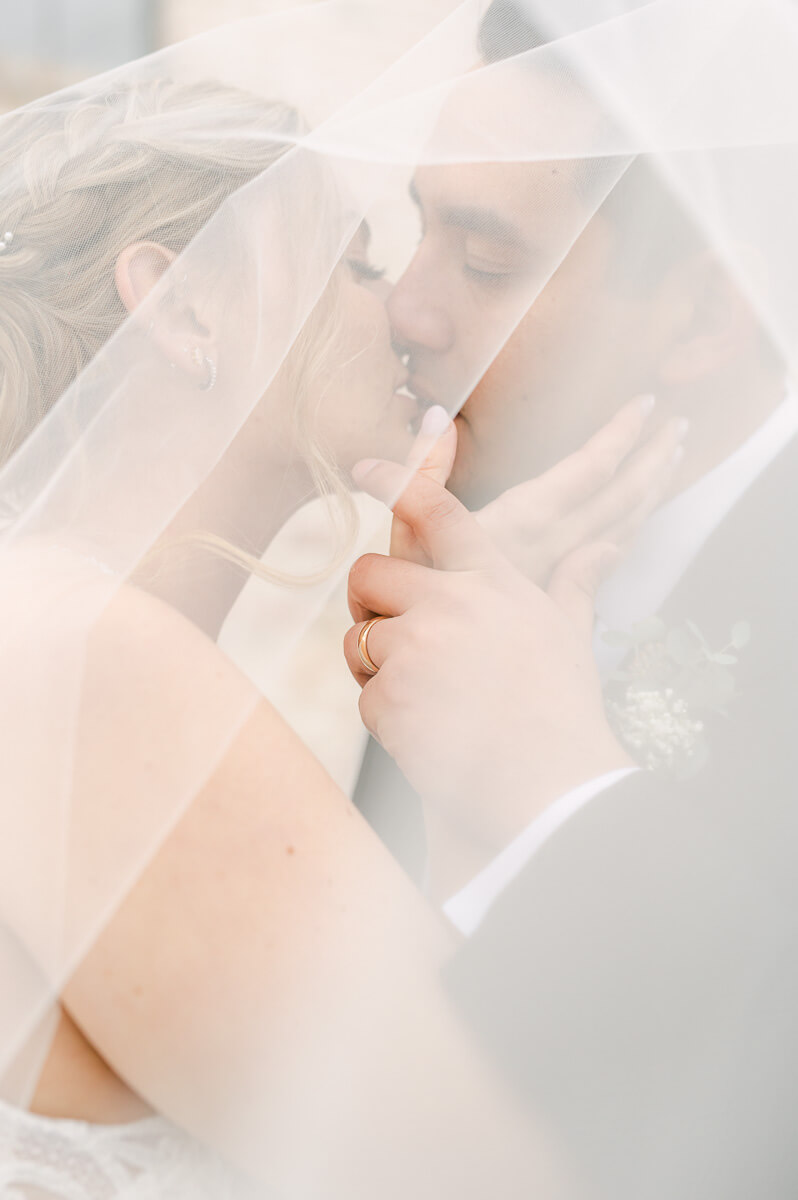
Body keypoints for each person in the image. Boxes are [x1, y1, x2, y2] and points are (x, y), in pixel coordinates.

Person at [0, 50, 678, 1200]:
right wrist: (502, 775)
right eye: (357, 263)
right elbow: (504, 1174)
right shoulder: (99, 665)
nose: (408, 310)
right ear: (180, 302)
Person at [344, 1, 798, 1194]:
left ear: (702, 315)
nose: (408, 309)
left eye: (488, 260)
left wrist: (557, 793)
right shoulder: (471, 549)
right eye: (419, 230)